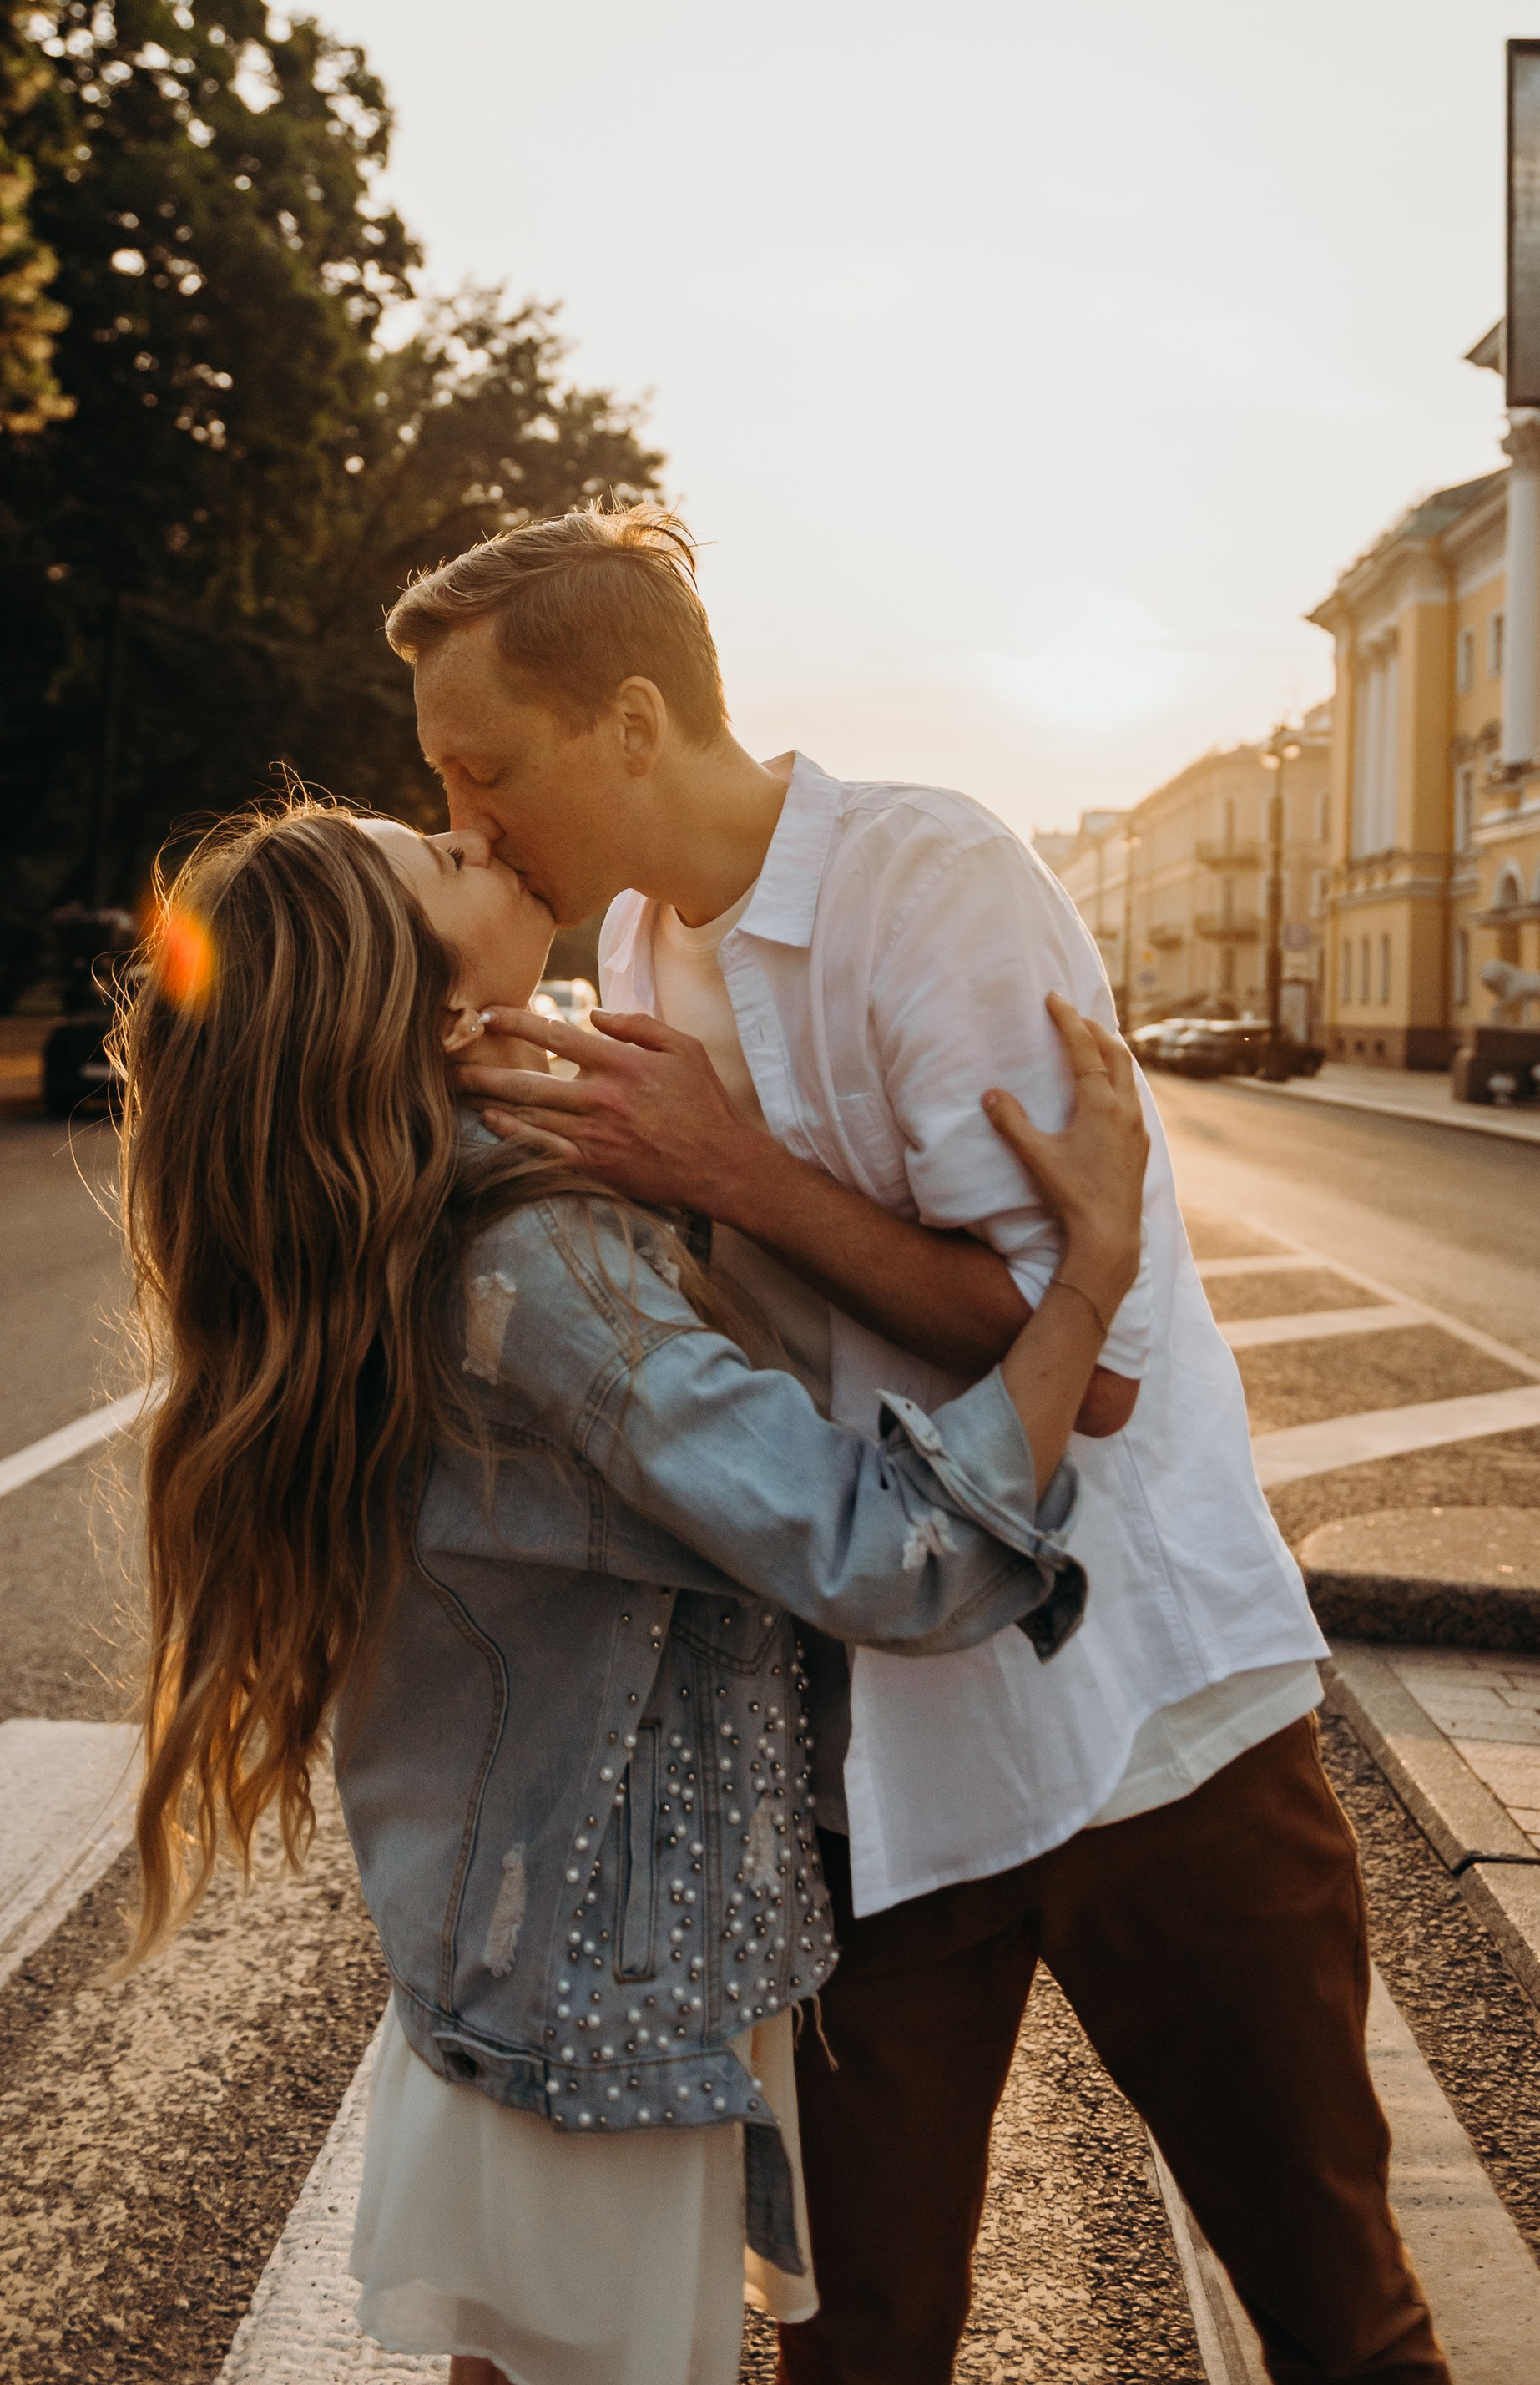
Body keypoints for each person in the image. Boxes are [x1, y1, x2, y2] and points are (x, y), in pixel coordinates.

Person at [389, 508, 1449, 2385]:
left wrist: (733, 1175)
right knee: (854, 2338)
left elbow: (1092, 1361)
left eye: (485, 770)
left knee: (1333, 2313)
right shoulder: (634, 948)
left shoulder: (927, 877)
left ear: (630, 722)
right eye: (441, 792)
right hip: (864, 1765)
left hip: (1140, 1722)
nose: (470, 825)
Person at [115, 792, 1149, 2385]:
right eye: (439, 862)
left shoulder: (418, 1219)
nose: (479, 839)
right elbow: (893, 1555)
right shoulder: (530, 1265)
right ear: (410, 1000)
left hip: (537, 1965)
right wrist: (1089, 1262)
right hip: (600, 1992)